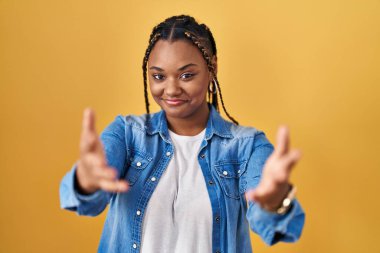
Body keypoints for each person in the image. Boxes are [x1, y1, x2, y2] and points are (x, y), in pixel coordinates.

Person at [59, 14, 305, 253]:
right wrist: (85, 180)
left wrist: (274, 201)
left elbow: (274, 226)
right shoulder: (126, 134)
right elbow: (85, 202)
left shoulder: (247, 146)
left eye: (186, 75)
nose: (171, 89)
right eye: (158, 76)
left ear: (212, 68)